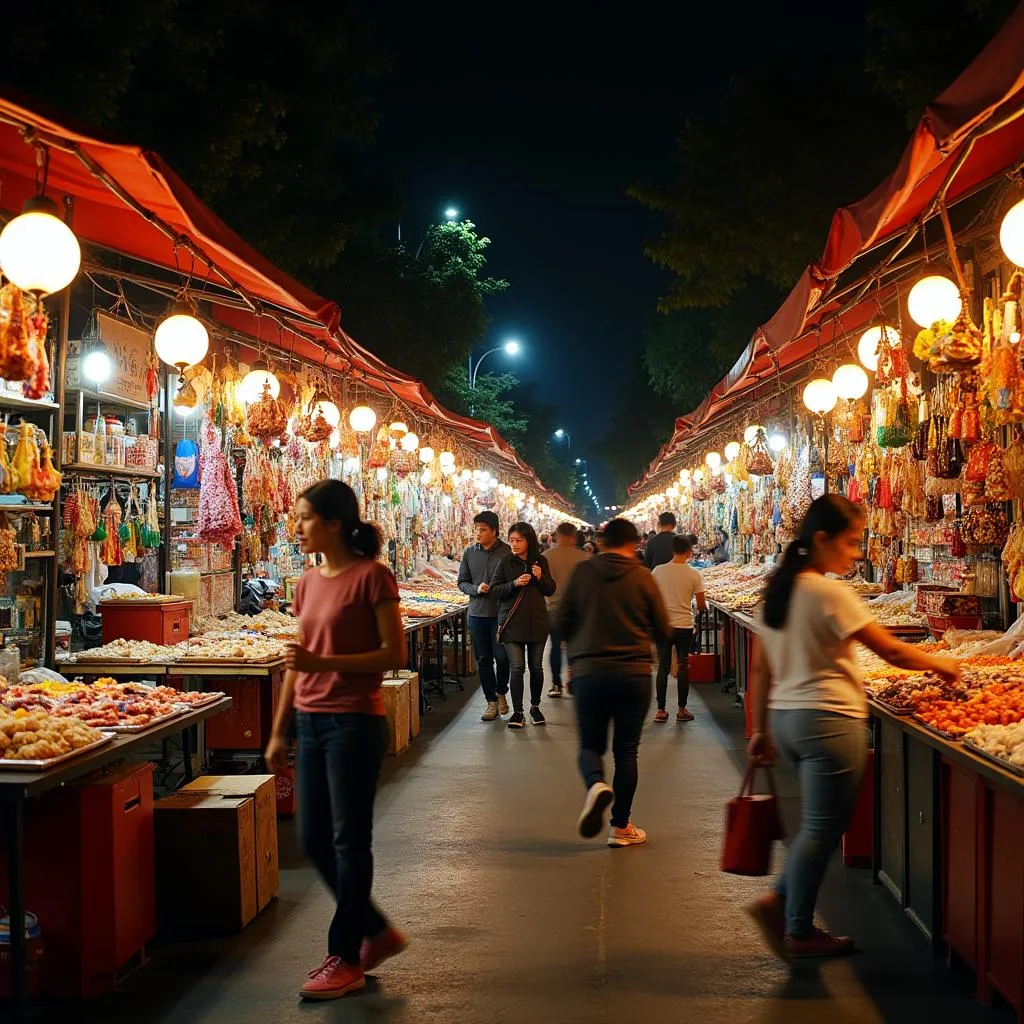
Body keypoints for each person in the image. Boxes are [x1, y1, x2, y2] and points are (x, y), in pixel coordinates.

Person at [745, 494, 959, 960]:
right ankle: (790, 917)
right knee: (823, 827)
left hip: (786, 719)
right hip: (828, 720)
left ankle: (789, 909)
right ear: (821, 540)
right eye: (851, 542)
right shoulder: (828, 593)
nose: (856, 552)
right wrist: (945, 667)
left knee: (823, 823)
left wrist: (758, 730)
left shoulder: (776, 594)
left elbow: (760, 670)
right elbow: (893, 652)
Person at [265, 480, 408, 1001]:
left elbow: (395, 655)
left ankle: (345, 955)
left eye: (304, 518)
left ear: (332, 523)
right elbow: (295, 664)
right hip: (309, 721)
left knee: (349, 841)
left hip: (354, 722)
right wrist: (280, 729)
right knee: (313, 841)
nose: (296, 527)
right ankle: (376, 931)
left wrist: (322, 665)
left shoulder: (373, 577)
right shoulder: (306, 583)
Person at [557, 518, 673, 847]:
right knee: (626, 752)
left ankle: (595, 784)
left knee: (590, 746)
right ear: (634, 543)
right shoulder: (643, 577)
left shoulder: (582, 572)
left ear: (602, 541)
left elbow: (561, 620)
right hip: (634, 675)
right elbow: (663, 629)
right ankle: (621, 827)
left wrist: (573, 657)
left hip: (590, 672)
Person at [490, 522, 556, 729]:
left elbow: (550, 589)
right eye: (512, 540)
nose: (515, 544)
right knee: (517, 668)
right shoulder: (505, 562)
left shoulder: (540, 561)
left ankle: (535, 707)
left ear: (529, 540)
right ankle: (517, 712)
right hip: (512, 622)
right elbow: (495, 591)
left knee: (536, 668)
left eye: (519, 540)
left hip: (536, 622)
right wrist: (514, 584)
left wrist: (540, 577)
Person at [457, 511, 512, 722]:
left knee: (503, 657)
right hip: (477, 614)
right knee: (483, 660)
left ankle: (501, 692)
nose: (478, 533)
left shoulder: (507, 553)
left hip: (500, 615)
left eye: (482, 530)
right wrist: (475, 588)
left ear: (494, 531)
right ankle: (491, 701)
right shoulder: (469, 553)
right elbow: (462, 582)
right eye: (476, 529)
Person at [651, 534, 706, 723]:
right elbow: (701, 605)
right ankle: (682, 710)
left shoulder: (658, 571)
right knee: (683, 666)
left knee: (663, 667)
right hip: (684, 625)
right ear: (689, 552)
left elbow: (651, 597)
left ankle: (660, 710)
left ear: (672, 550)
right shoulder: (694, 574)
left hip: (663, 625)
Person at [544, 522, 588, 698]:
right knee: (574, 647)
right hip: (577, 610)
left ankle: (556, 683)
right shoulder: (582, 557)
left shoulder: (546, 556)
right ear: (573, 536)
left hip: (554, 609)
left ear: (557, 535)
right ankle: (574, 682)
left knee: (555, 647)